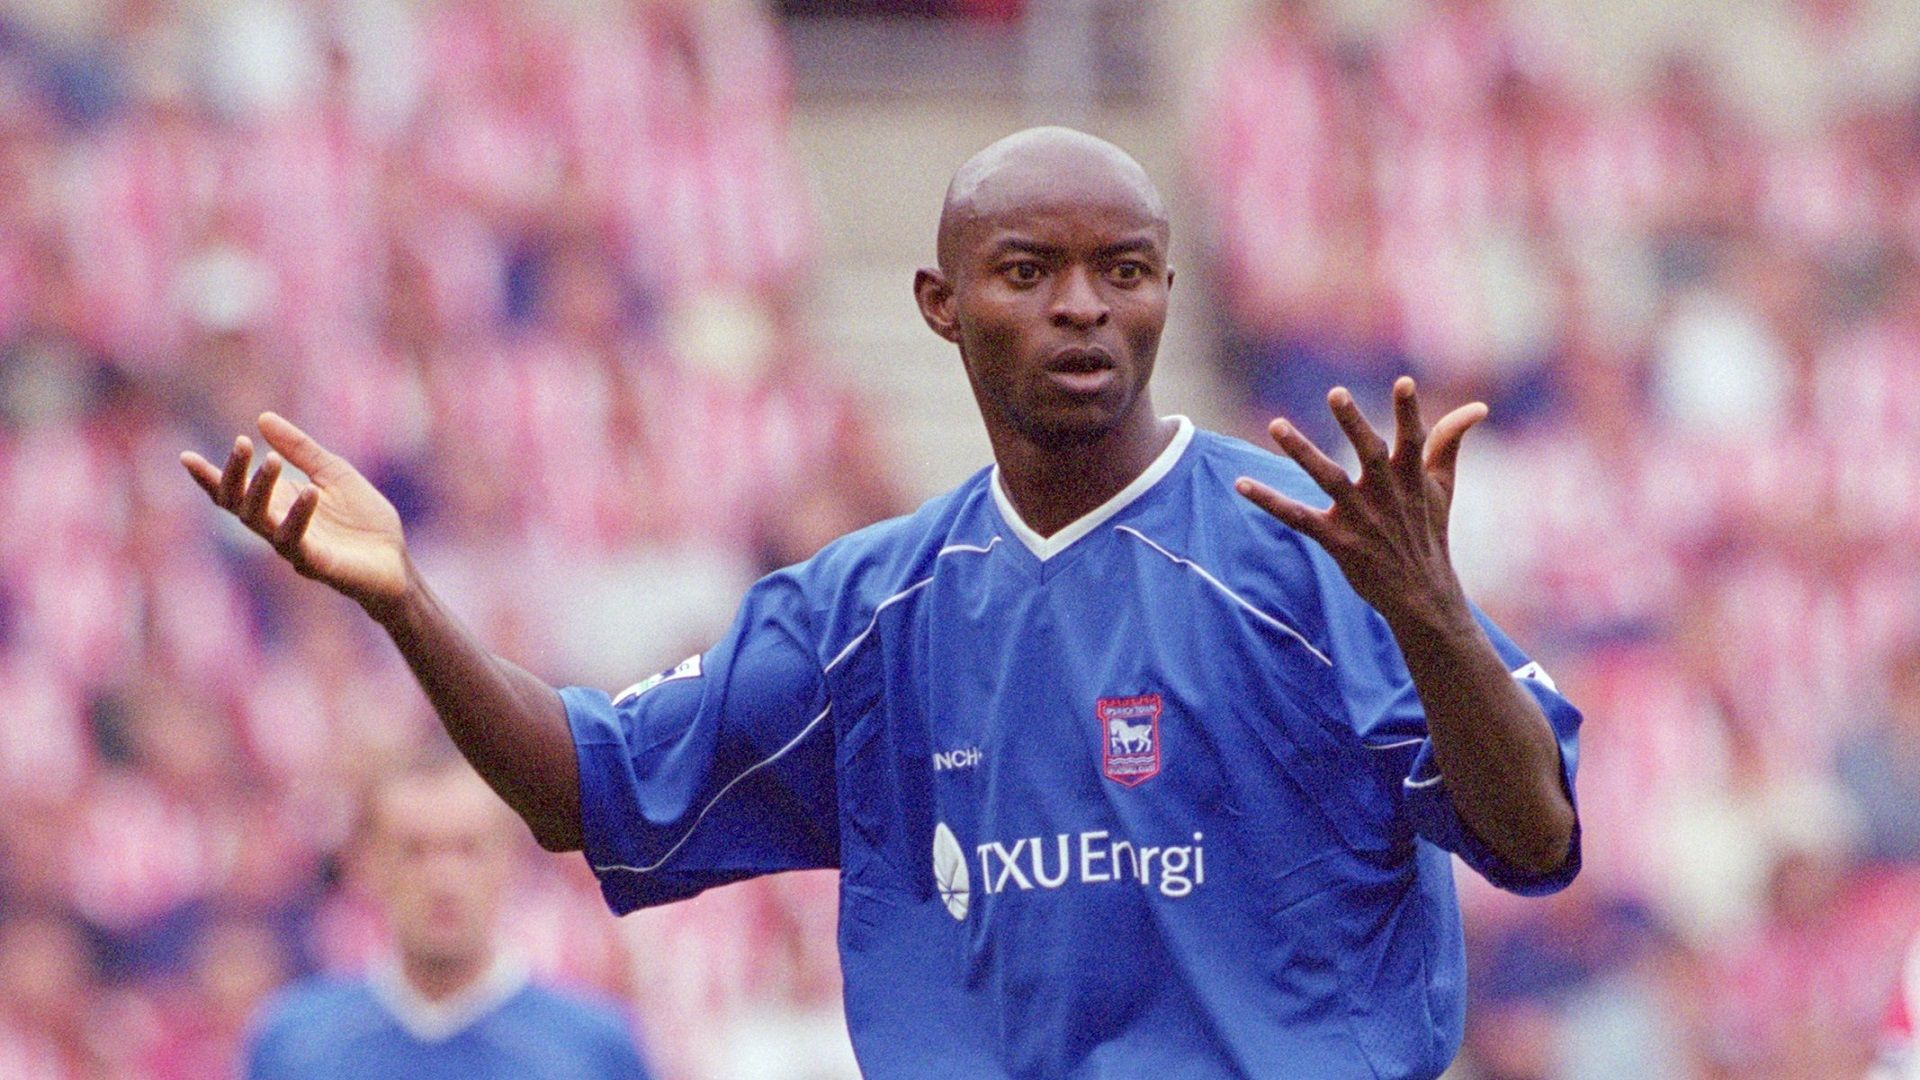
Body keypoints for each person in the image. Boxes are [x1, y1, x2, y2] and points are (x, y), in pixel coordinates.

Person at [185, 127, 1581, 1078]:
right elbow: (589, 792)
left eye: (1125, 272)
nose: (1083, 309)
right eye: (1031, 272)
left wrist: (1433, 615)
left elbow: (1533, 836)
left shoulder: (1306, 553)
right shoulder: (868, 609)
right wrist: (406, 601)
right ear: (939, 301)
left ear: (1166, 291)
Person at [242, 759, 652, 1080]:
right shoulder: (295, 1041)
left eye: (466, 849)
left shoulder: (592, 1048)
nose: (441, 879)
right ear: (367, 864)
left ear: (510, 862)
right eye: (414, 850)